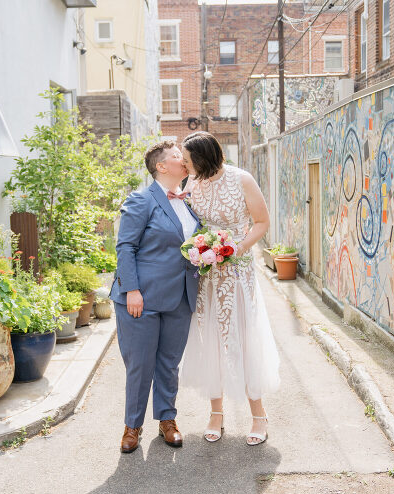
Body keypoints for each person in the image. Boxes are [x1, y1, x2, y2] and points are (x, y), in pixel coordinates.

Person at [179, 131, 280, 446]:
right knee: (211, 337)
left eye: (186, 160)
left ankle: (259, 415)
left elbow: (262, 222)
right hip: (207, 273)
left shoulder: (242, 179)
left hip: (236, 272)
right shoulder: (192, 184)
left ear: (202, 159)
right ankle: (216, 413)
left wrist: (237, 247)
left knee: (243, 335)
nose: (183, 165)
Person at [109, 140, 200, 453]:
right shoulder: (141, 200)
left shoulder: (186, 203)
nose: (184, 160)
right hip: (142, 299)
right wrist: (131, 289)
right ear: (161, 166)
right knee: (140, 365)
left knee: (169, 363)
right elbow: (125, 247)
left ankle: (167, 420)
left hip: (180, 297)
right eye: (178, 157)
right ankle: (132, 426)